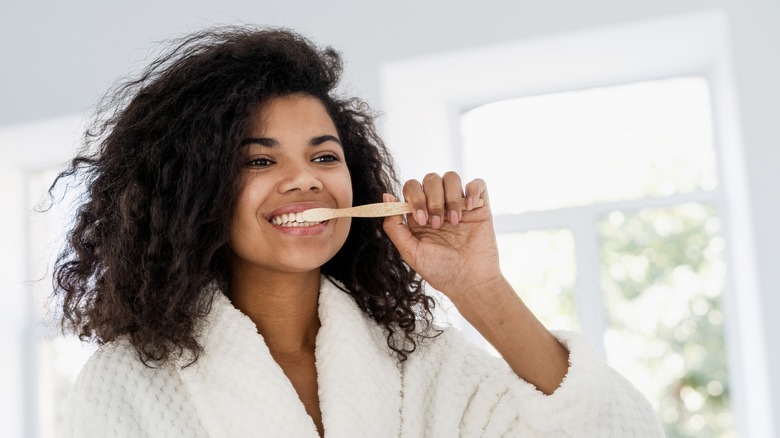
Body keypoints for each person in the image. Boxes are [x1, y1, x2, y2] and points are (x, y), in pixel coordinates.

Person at [54, 26, 663, 437]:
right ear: (193, 192)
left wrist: (479, 288)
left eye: (324, 157)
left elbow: (616, 429)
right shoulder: (128, 382)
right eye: (260, 161)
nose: (305, 181)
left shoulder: (419, 363)